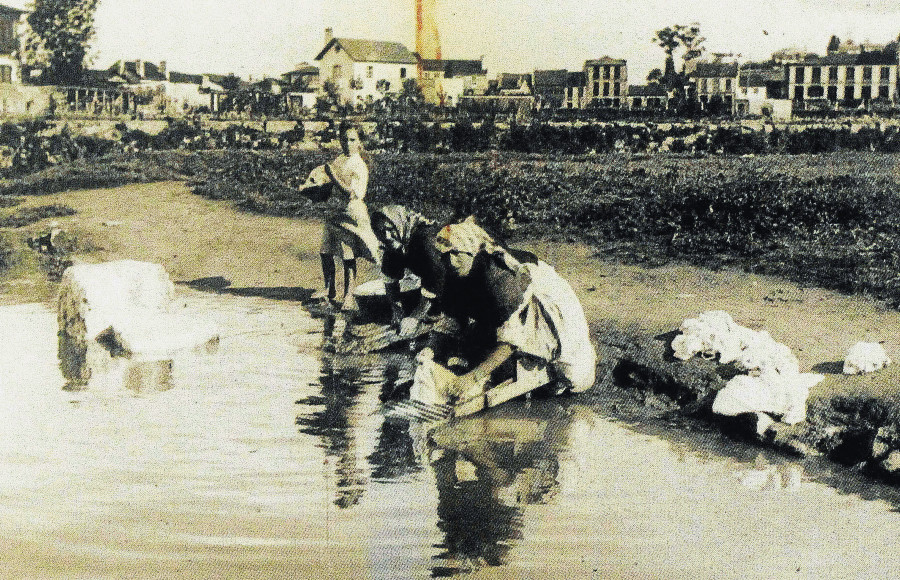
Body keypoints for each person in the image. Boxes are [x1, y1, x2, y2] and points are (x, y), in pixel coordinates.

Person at [414, 216, 596, 411]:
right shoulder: (453, 273)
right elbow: (450, 320)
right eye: (445, 255)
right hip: (507, 314)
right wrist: (431, 349)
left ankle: (538, 365)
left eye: (457, 253)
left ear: (472, 252)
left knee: (572, 376)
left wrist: (472, 378)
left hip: (544, 304)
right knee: (468, 350)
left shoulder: (500, 279)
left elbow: (511, 339)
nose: (450, 261)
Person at [299, 121, 381, 311]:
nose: (348, 144)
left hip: (351, 214)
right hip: (335, 211)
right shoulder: (339, 160)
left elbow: (352, 194)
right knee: (325, 251)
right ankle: (329, 290)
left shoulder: (360, 165)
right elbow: (328, 186)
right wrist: (312, 191)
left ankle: (349, 294)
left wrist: (333, 175)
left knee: (347, 254)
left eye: (352, 140)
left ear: (360, 142)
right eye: (344, 139)